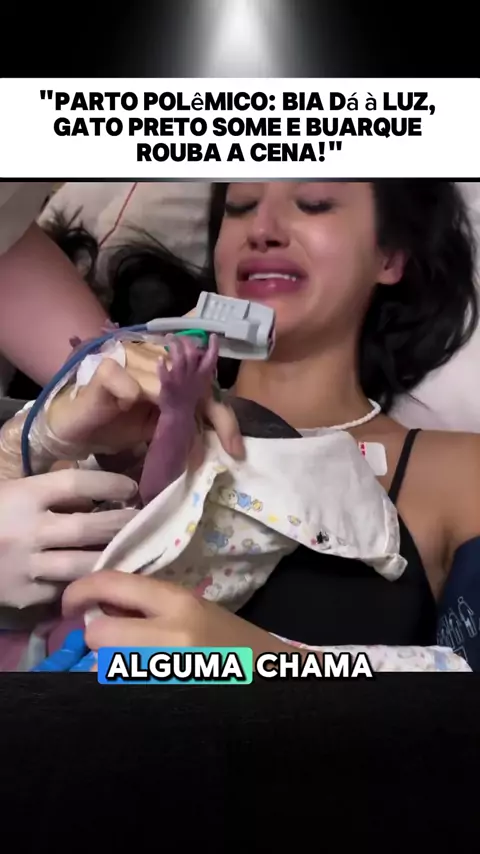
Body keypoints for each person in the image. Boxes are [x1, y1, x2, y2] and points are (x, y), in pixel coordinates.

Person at [3, 180, 480, 671]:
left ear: (390, 258)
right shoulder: (94, 421)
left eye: (314, 204)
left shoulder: (459, 471)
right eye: (241, 207)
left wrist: (274, 665)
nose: (262, 229)